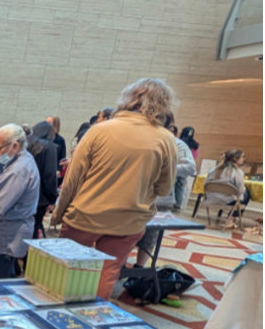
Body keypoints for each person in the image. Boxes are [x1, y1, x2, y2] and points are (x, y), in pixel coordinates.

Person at [53, 79, 177, 300]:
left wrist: (58, 214)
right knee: (107, 274)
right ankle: (90, 322)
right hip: (129, 221)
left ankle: (51, 321)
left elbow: (72, 180)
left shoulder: (98, 130)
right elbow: (165, 187)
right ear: (164, 104)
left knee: (64, 270)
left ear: (128, 98)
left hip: (85, 215)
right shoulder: (166, 139)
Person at [0, 125, 41, 279]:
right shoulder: (16, 162)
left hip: (6, 237)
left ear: (15, 146)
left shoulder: (19, 169)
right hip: (2, 233)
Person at [134, 116, 198, 266]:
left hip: (158, 199)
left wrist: (162, 168)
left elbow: (190, 167)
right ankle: (120, 267)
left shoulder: (176, 143)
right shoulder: (136, 138)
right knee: (124, 235)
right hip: (132, 196)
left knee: (149, 236)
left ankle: (139, 268)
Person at [27, 122, 60, 240]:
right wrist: (52, 198)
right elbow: (50, 174)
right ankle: (29, 256)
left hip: (23, 192)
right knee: (35, 227)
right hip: (39, 197)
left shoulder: (26, 144)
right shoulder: (49, 147)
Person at [205, 150, 250, 229]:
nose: (244, 159)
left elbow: (206, 185)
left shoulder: (214, 169)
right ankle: (231, 219)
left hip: (211, 198)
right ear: (236, 159)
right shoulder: (238, 172)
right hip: (228, 201)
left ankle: (230, 218)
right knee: (246, 193)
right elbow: (240, 190)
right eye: (243, 157)